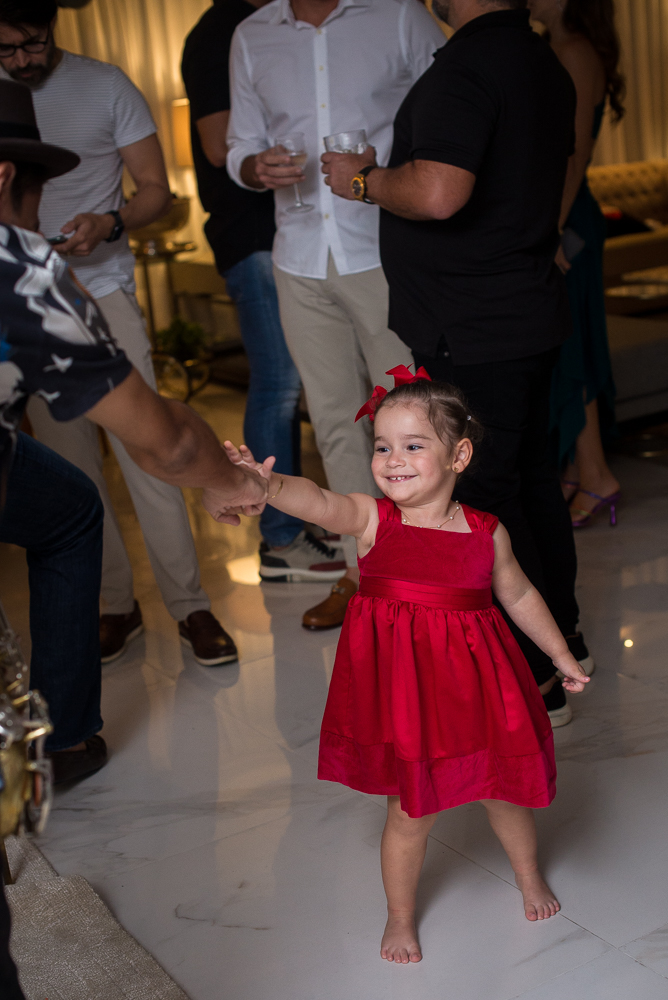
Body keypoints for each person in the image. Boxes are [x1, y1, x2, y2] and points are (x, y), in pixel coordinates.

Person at [0, 78, 265, 998]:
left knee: (71, 505)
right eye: (34, 195)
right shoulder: (18, 266)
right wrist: (234, 482)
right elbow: (166, 441)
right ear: (5, 177)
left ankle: (69, 732)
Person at [220, 369, 589, 962]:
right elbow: (319, 501)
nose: (393, 460)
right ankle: (398, 916)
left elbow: (520, 595)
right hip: (407, 698)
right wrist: (269, 486)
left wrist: (560, 653)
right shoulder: (373, 520)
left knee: (503, 793)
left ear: (459, 456)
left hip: (475, 690)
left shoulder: (486, 533)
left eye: (413, 446)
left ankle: (528, 875)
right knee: (410, 812)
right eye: (382, 447)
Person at [322, 0, 594, 727]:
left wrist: (362, 180)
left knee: (493, 498)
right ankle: (564, 642)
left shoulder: (470, 65)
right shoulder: (541, 58)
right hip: (523, 309)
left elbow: (439, 194)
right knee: (530, 478)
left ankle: (536, 677)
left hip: (475, 322)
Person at [0, 0, 238, 667]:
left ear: (52, 23)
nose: (22, 60)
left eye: (32, 43)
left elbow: (157, 190)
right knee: (71, 466)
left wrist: (110, 221)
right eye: (6, 50)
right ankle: (115, 605)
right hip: (18, 299)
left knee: (148, 447)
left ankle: (190, 605)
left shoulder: (105, 84)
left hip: (102, 289)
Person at [226, 0, 445, 630]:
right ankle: (363, 571)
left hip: (387, 249)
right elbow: (240, 145)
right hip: (297, 256)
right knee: (334, 423)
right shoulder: (252, 34)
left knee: (414, 419)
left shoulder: (399, 15)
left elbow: (450, 116)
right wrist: (254, 167)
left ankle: (430, 568)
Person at [182, 0, 346, 585]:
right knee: (278, 385)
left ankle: (301, 519)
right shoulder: (221, 32)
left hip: (288, 235)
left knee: (298, 383)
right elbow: (217, 145)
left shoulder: (283, 21)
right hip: (251, 235)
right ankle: (279, 538)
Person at [529, 0, 624, 527]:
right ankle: (575, 468)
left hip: (568, 221)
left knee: (574, 347)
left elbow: (575, 153)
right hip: (559, 215)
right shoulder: (557, 46)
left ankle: (597, 476)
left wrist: (551, 231)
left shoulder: (574, 50)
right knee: (564, 346)